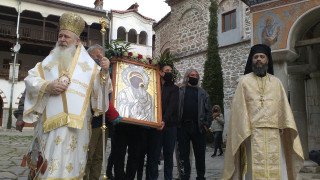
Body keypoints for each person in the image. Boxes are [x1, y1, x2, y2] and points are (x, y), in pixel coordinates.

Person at [22, 12, 111, 179]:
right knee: (48, 168)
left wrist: (105, 71)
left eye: (66, 37)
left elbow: (101, 92)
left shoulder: (90, 66)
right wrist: (47, 85)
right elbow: (30, 79)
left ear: (77, 41)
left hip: (76, 129)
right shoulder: (48, 61)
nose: (62, 39)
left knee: (71, 168)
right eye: (60, 36)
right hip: (49, 127)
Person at [223, 44, 304, 180]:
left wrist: (282, 124)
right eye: (256, 57)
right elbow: (239, 110)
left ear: (267, 60)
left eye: (262, 56)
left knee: (277, 167)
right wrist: (244, 130)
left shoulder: (276, 82)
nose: (259, 59)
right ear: (251, 60)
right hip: (252, 133)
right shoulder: (244, 82)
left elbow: (283, 106)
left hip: (275, 133)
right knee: (253, 170)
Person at [84, 44, 120, 180]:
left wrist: (105, 71)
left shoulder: (105, 72)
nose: (99, 60)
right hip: (90, 122)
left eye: (101, 57)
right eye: (96, 57)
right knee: (88, 155)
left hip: (103, 122)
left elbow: (108, 94)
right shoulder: (85, 72)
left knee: (99, 156)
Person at [145, 64, 179, 180]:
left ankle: (168, 177)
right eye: (166, 71)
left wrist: (164, 120)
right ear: (160, 73)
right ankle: (152, 177)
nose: (169, 72)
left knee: (169, 155)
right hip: (155, 125)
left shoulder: (174, 88)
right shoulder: (155, 87)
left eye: (170, 71)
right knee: (154, 154)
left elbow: (172, 106)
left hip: (170, 125)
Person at [177, 69, 212, 180]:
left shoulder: (203, 93)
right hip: (182, 127)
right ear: (187, 76)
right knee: (183, 154)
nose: (194, 77)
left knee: (200, 155)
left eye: (196, 76)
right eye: (192, 75)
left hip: (198, 127)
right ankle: (184, 176)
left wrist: (206, 124)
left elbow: (209, 111)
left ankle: (201, 177)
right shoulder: (180, 91)